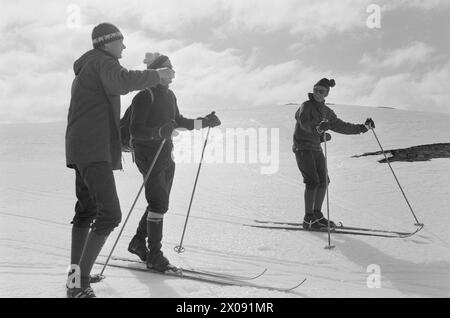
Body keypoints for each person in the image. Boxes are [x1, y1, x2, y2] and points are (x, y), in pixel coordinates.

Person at [65, 23, 175, 298]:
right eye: (121, 42)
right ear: (106, 42)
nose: (124, 47)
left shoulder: (91, 65)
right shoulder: (103, 61)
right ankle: (79, 284)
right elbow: (123, 81)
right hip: (94, 148)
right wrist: (155, 74)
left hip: (83, 147)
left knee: (86, 212)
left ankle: (76, 277)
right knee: (110, 214)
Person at [126, 53, 221, 272]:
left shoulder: (169, 96)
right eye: (168, 71)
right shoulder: (143, 96)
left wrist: (205, 122)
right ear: (157, 73)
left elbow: (179, 121)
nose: (172, 76)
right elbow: (135, 131)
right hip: (147, 154)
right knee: (159, 203)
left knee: (159, 202)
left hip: (165, 153)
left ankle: (138, 242)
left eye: (173, 72)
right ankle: (154, 255)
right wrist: (159, 131)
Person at [293, 78, 375, 230]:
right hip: (303, 148)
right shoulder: (306, 106)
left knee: (324, 181)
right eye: (316, 90)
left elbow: (341, 126)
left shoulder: (327, 112)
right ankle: (308, 219)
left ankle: (317, 215)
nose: (318, 93)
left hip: (316, 148)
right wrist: (318, 129)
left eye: (321, 91)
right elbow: (304, 123)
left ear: (327, 94)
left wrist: (363, 128)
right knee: (312, 182)